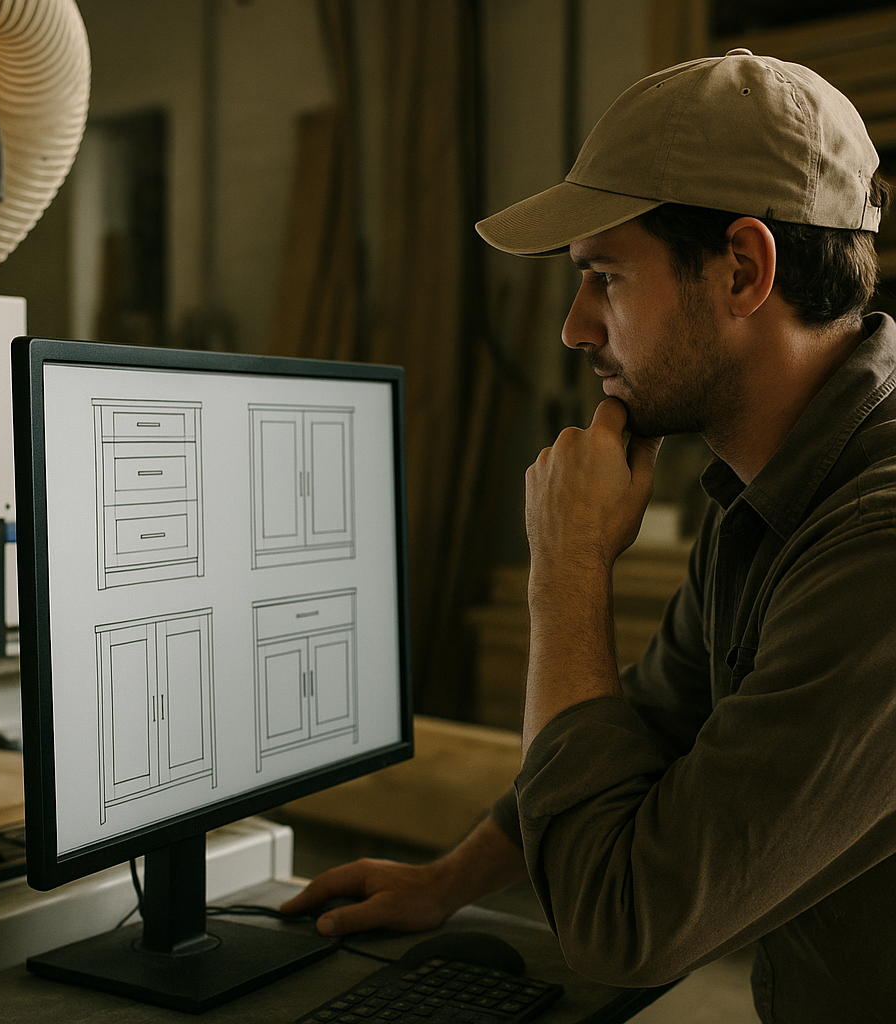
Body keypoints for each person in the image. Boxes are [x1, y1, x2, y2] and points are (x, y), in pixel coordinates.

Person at [281, 48, 896, 1023]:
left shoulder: (875, 542)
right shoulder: (771, 484)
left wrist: (564, 570)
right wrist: (448, 880)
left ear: (743, 268)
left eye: (604, 276)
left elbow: (626, 927)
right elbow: (651, 722)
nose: (573, 328)